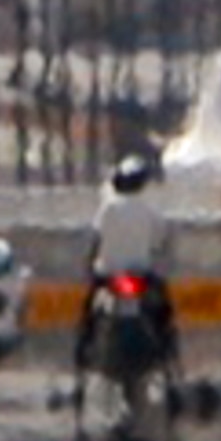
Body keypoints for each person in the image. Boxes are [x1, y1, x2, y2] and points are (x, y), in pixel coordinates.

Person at [80, 144, 178, 375]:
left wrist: (90, 267)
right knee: (164, 311)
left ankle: (83, 356)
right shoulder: (150, 211)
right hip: (140, 275)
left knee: (88, 314)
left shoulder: (108, 208)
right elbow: (160, 243)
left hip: (108, 276)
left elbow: (96, 240)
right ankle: (169, 360)